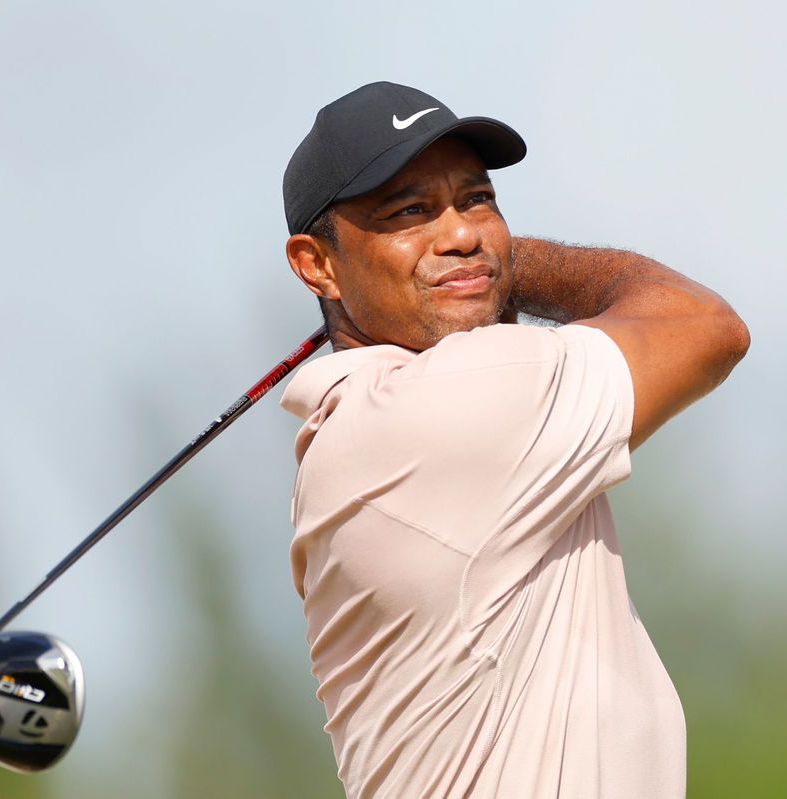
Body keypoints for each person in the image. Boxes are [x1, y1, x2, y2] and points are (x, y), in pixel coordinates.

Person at [278, 81, 749, 799]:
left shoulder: (356, 427)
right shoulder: (453, 403)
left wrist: (453, 267)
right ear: (318, 264)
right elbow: (704, 325)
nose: (462, 231)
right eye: (410, 211)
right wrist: (494, 267)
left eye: (477, 200)